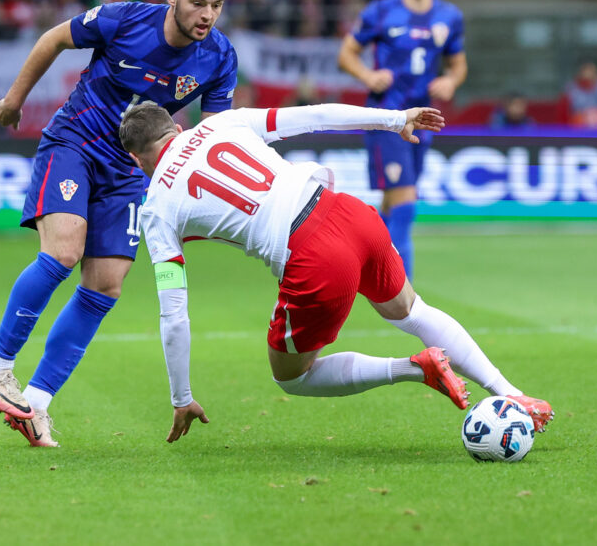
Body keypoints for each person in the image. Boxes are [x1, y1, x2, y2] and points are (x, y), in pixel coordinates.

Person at [118, 103, 553, 443]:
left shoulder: (156, 208)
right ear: (176, 128)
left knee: (291, 376)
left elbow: (174, 312)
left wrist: (181, 398)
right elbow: (316, 116)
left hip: (312, 256)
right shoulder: (222, 123)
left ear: (138, 161)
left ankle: (414, 368)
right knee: (411, 310)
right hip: (348, 213)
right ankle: (511, 392)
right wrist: (395, 118)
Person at [0, 0, 238, 447]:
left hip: (128, 171)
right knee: (63, 252)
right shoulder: (123, 20)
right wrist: (15, 99)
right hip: (75, 142)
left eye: (217, 5)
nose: (207, 15)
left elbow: (214, 132)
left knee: (105, 285)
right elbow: (53, 39)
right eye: (198, 2)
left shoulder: (220, 57)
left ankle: (35, 404)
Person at [337, 0, 467, 279]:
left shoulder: (450, 16)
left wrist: (451, 82)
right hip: (388, 118)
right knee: (406, 204)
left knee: (393, 203)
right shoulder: (380, 11)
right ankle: (399, 291)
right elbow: (346, 54)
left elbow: (458, 64)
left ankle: (356, 263)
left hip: (424, 121)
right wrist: (367, 75)